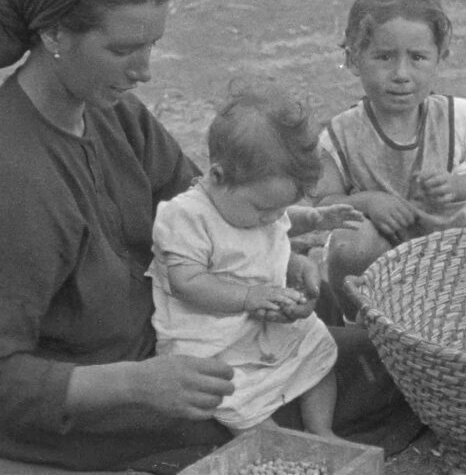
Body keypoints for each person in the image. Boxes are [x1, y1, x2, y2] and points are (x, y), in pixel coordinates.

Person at [0, 0, 423, 474]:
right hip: (79, 399)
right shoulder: (8, 184)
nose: (143, 71)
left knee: (388, 356)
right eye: (123, 49)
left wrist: (278, 261)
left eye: (152, 45)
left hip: (179, 336)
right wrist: (137, 385)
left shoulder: (110, 110)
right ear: (53, 36)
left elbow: (209, 212)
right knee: (394, 379)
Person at [148, 88, 363, 439]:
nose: (273, 218)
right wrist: (249, 297)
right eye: (265, 209)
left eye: (281, 207)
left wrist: (315, 218)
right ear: (217, 177)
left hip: (264, 322)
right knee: (234, 395)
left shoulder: (258, 205)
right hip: (211, 335)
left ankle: (321, 429)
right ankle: (270, 441)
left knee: (318, 350)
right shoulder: (188, 216)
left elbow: (282, 218)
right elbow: (185, 282)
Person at [312, 0, 466, 323]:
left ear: (440, 58)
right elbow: (324, 204)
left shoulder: (460, 118)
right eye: (384, 57)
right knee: (350, 243)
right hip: (386, 251)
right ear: (353, 59)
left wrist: (457, 187)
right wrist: (369, 201)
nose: (401, 74)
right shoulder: (339, 136)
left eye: (417, 58)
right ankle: (361, 323)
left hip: (454, 242)